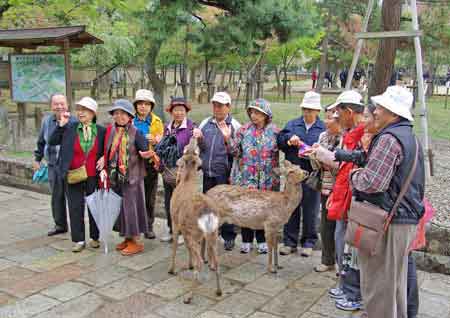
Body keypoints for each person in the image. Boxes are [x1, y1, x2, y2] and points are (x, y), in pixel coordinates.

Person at [350, 86, 425, 318]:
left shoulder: (389, 139)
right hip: (403, 220)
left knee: (379, 288)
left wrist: (354, 175)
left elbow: (372, 182)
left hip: (389, 223)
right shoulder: (410, 137)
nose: (375, 112)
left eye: (380, 108)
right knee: (394, 287)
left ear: (393, 112)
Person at [49, 97, 105, 252]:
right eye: (79, 109)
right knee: (75, 207)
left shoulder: (101, 130)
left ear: (93, 113)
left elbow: (107, 148)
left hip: (93, 174)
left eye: (85, 110)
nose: (81, 113)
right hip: (73, 174)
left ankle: (95, 237)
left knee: (94, 206)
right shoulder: (69, 127)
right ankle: (79, 240)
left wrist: (104, 157)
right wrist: (60, 126)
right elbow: (52, 141)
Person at [102, 99, 154, 256]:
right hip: (116, 178)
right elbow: (108, 150)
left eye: (123, 113)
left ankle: (135, 241)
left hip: (132, 178)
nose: (119, 116)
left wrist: (145, 155)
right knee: (121, 210)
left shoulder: (136, 133)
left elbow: (145, 151)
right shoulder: (111, 131)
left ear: (130, 116)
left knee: (131, 209)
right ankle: (126, 237)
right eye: (116, 113)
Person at [228, 99, 280, 254]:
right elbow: (235, 152)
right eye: (252, 112)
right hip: (247, 177)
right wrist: (228, 140)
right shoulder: (243, 130)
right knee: (247, 208)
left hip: (267, 178)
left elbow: (282, 149)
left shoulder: (275, 131)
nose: (254, 115)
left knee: (264, 209)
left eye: (258, 112)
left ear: (266, 115)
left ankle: (262, 240)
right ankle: (246, 239)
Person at [277, 91, 325, 257]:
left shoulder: (323, 129)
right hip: (294, 176)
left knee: (311, 209)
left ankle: (309, 241)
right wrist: (289, 139)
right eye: (305, 109)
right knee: (291, 207)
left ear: (318, 111)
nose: (307, 112)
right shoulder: (292, 124)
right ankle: (289, 241)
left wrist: (316, 152)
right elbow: (280, 141)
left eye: (311, 109)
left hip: (312, 175)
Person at [193, 92, 241, 251]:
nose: (217, 108)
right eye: (215, 105)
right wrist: (199, 139)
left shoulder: (235, 125)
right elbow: (202, 147)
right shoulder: (206, 122)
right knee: (207, 204)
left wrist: (227, 138)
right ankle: (208, 234)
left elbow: (238, 152)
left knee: (225, 205)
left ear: (228, 107)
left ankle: (228, 236)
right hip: (208, 171)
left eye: (221, 105)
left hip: (225, 172)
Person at [33, 93, 76, 236]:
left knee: (73, 197)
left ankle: (77, 227)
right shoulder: (47, 121)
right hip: (53, 165)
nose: (59, 106)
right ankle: (60, 225)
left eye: (62, 103)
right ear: (51, 106)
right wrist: (37, 158)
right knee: (56, 196)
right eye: (56, 104)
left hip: (70, 166)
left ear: (67, 105)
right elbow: (41, 141)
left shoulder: (74, 121)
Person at [159, 97, 195, 243]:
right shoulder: (167, 127)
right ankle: (171, 229)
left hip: (183, 172)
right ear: (171, 112)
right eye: (176, 110)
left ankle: (182, 232)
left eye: (181, 110)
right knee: (169, 202)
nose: (178, 113)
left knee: (183, 202)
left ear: (186, 111)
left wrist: (188, 150)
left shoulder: (192, 127)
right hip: (168, 171)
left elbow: (194, 148)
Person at [310, 109, 342, 273]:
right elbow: (315, 165)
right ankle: (327, 260)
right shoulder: (323, 136)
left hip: (341, 189)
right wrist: (315, 157)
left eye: (330, 118)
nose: (326, 121)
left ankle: (342, 264)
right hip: (325, 187)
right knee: (326, 225)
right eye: (326, 117)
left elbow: (342, 168)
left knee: (341, 227)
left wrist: (324, 157)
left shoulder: (345, 138)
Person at [132, 89, 164, 240]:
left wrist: (157, 141)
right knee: (134, 195)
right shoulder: (130, 121)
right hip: (133, 163)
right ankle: (136, 225)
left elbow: (164, 144)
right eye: (140, 104)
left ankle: (149, 226)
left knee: (150, 196)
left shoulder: (157, 121)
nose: (143, 107)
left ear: (151, 106)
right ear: (136, 106)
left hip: (151, 163)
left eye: (146, 104)